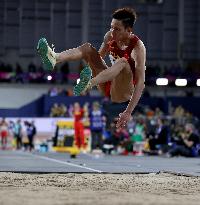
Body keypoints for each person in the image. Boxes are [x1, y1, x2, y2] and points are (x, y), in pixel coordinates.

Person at [37, 7, 146, 128]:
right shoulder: (109, 37)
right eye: (111, 27)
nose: (112, 32)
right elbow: (97, 58)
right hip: (107, 84)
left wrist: (128, 111)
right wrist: (88, 70)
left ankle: (89, 84)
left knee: (123, 62)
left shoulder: (137, 47)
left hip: (123, 93)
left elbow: (140, 82)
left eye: (117, 29)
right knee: (88, 49)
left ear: (128, 30)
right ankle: (55, 58)